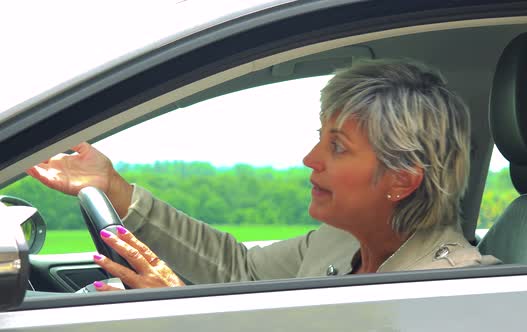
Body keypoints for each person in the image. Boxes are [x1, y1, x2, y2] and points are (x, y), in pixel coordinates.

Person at [28, 60, 500, 291]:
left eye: (337, 147)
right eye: (321, 136)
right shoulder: (338, 241)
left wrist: (180, 315)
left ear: (402, 180)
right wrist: (115, 188)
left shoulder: (454, 286)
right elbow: (240, 270)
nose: (309, 158)